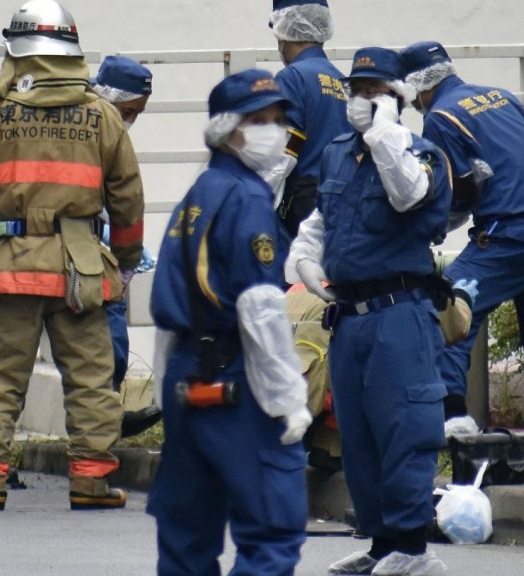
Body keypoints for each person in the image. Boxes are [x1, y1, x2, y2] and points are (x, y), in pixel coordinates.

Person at [0, 0, 144, 511]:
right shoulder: (103, 117)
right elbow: (128, 197)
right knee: (92, 379)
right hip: (82, 268)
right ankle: (92, 481)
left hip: (9, 265)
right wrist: (124, 256)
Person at [287, 48, 453, 576]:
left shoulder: (423, 153)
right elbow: (320, 219)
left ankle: (411, 546)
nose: (362, 99)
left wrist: (385, 132)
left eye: (375, 91)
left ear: (398, 97)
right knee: (357, 437)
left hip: (399, 313)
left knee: (404, 427)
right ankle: (382, 544)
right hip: (350, 318)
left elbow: (407, 196)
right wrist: (307, 259)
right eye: (356, 89)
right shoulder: (338, 153)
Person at [145, 68, 311, 575]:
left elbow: (169, 302)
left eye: (279, 119)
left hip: (187, 375)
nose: (273, 131)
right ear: (226, 128)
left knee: (187, 536)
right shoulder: (247, 198)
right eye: (257, 119)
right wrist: (287, 398)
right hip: (235, 379)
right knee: (271, 530)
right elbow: (260, 308)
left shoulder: (200, 192)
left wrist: (163, 385)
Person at [399, 41, 524, 449]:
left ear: (417, 86)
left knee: (448, 309)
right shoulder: (500, 96)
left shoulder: (441, 117)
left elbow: (457, 191)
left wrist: (428, 229)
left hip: (512, 236)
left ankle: (454, 419)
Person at [89, 56, 162, 437]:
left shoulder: (104, 123)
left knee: (109, 340)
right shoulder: (90, 124)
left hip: (90, 247)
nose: (132, 119)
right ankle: (100, 430)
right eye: (130, 111)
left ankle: (106, 421)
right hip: (73, 250)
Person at [268, 0, 350, 236]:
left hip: (305, 207)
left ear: (284, 33)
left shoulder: (291, 78)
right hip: (346, 204)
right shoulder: (342, 80)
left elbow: (282, 158)